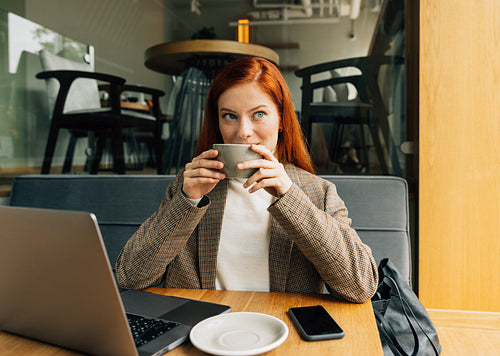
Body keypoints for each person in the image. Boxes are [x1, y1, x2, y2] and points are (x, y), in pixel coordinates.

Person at [115, 57, 378, 303]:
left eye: (259, 114)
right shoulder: (189, 186)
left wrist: (289, 196)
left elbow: (361, 286)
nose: (243, 132)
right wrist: (187, 201)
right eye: (230, 116)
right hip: (203, 330)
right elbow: (130, 276)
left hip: (281, 328)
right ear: (217, 121)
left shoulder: (317, 192)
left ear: (282, 119)